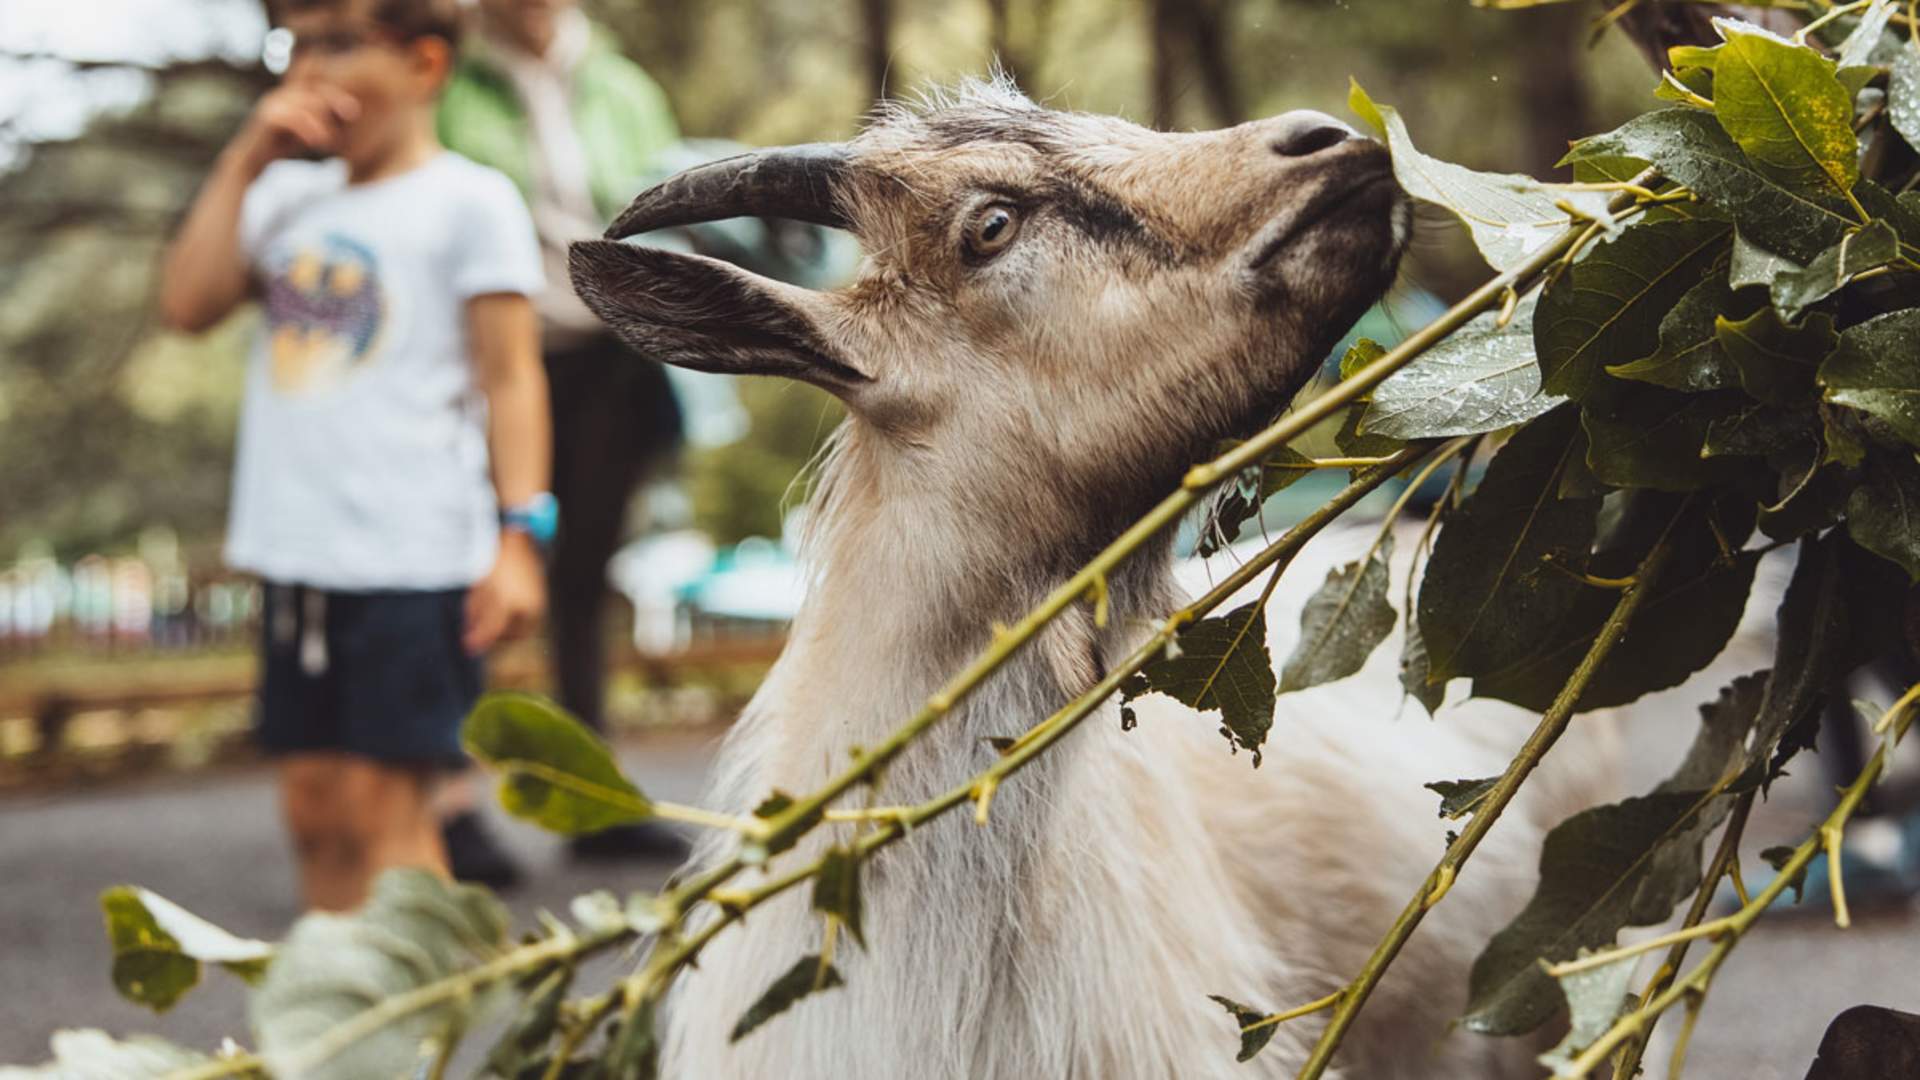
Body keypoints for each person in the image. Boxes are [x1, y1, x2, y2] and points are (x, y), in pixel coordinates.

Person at [157, 0, 550, 911]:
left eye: (338, 44)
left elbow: (512, 380)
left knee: (388, 816)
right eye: (295, 46)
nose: (307, 71)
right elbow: (186, 304)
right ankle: (341, 998)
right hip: (298, 559)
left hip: (413, 561)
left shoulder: (471, 201)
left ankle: (429, 1002)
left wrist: (519, 537)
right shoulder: (283, 199)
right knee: (315, 811)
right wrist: (246, 157)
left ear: (424, 64)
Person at [437, 0, 689, 861]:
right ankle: (449, 803)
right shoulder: (448, 83)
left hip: (610, 359)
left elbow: (670, 217)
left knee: (585, 575)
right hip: (492, 361)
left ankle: (594, 800)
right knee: (468, 565)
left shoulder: (623, 88)